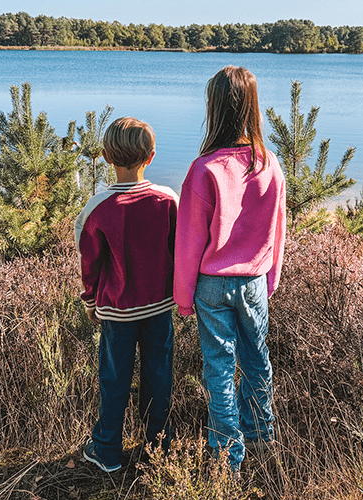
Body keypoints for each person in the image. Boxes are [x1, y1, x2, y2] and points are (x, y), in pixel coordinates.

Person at [173, 65, 287, 472]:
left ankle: (227, 456)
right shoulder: (268, 164)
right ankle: (261, 441)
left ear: (215, 108)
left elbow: (189, 243)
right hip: (254, 280)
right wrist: (269, 279)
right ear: (253, 108)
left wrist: (184, 298)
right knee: (258, 361)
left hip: (211, 285)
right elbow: (278, 230)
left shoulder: (204, 170)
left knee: (219, 368)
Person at [74, 116, 179, 473]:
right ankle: (158, 448)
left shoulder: (97, 208)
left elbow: (90, 263)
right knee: (159, 375)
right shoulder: (168, 201)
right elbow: (179, 252)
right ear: (150, 156)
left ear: (105, 156)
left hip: (117, 312)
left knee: (114, 379)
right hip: (160, 308)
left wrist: (91, 302)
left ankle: (106, 451)